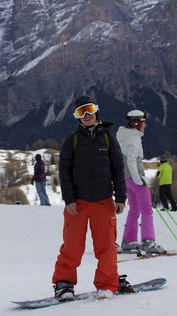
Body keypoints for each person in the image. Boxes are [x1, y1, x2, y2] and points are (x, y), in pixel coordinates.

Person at [52, 95, 132, 301]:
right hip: (77, 203)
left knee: (106, 246)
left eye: (89, 109)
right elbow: (64, 170)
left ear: (96, 110)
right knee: (72, 246)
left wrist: (120, 197)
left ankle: (106, 284)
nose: (86, 115)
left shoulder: (108, 138)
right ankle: (64, 284)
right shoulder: (73, 140)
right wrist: (69, 198)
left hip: (103, 201)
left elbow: (118, 169)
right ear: (76, 117)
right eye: (81, 112)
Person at [117, 110, 165, 254]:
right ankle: (148, 243)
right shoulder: (133, 139)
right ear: (136, 123)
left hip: (126, 179)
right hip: (135, 179)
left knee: (134, 209)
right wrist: (140, 180)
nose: (145, 125)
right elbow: (132, 161)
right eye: (143, 122)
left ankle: (128, 241)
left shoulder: (123, 136)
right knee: (147, 210)